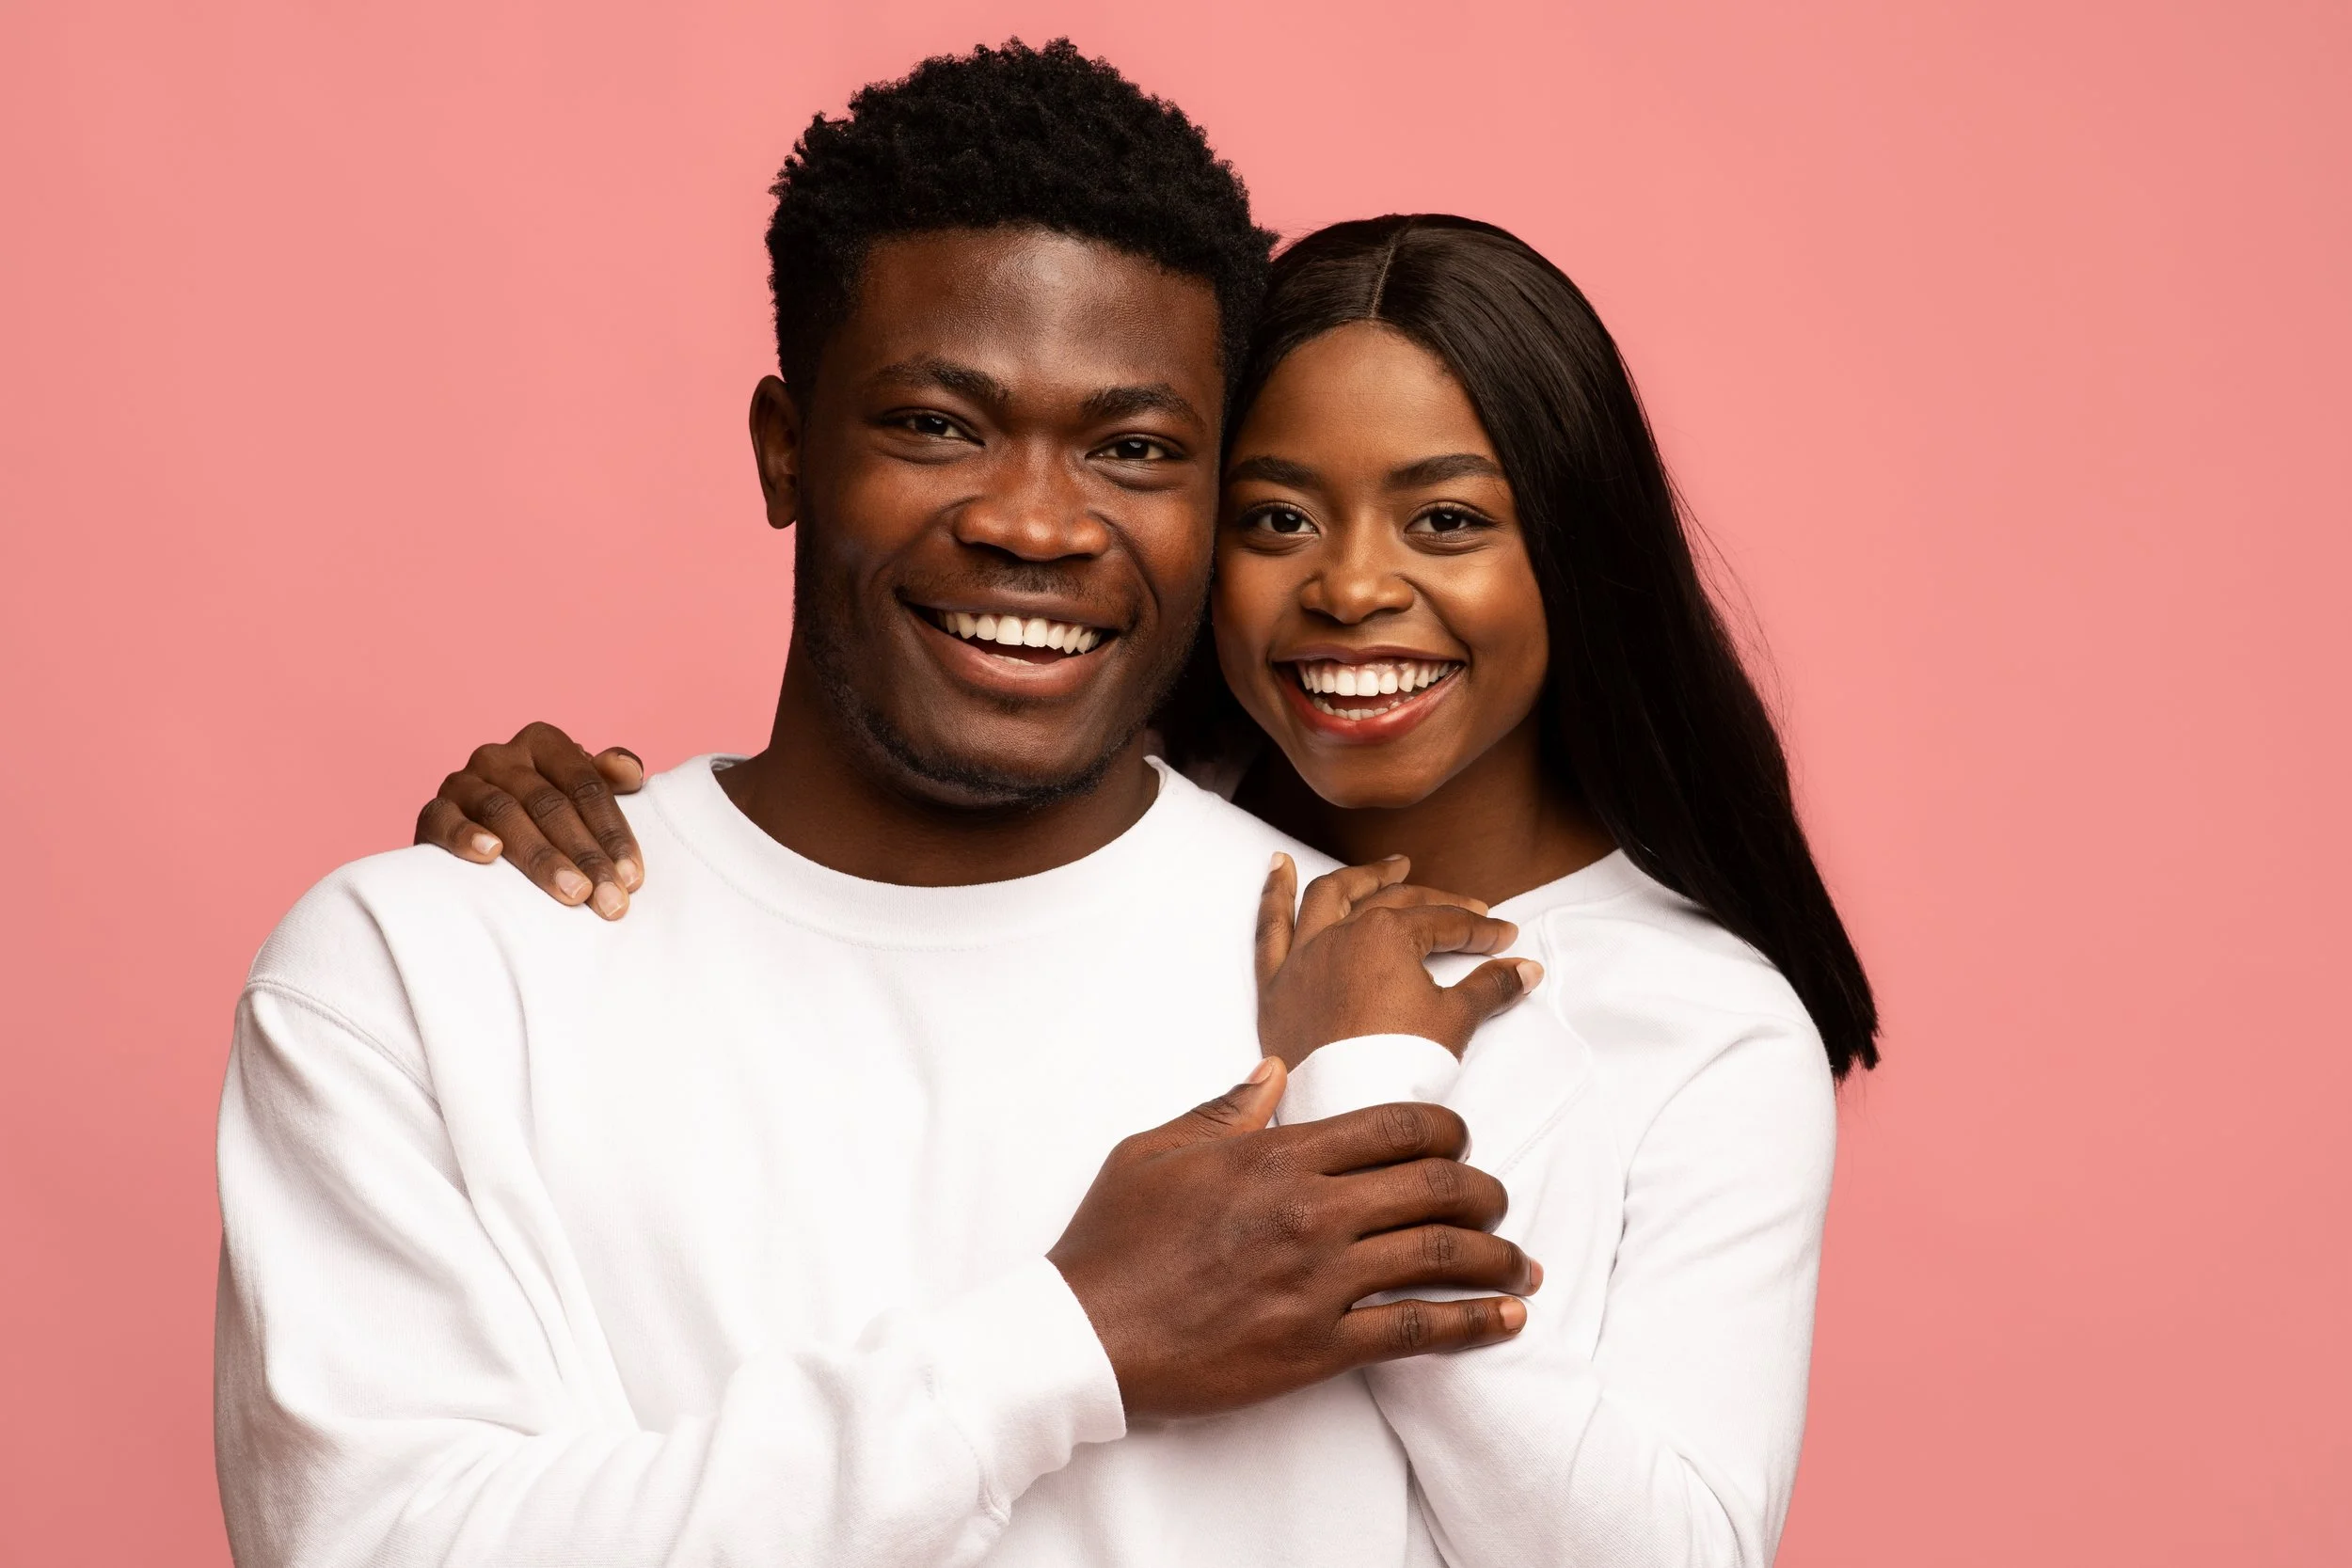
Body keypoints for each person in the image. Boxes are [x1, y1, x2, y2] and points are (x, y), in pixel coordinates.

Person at [215, 42, 1561, 1568]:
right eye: (938, 424)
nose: (1035, 522)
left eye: (1133, 449)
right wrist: (1071, 1339)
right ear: (787, 450)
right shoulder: (425, 974)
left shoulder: (1408, 994)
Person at [410, 214, 1880, 1568]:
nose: (1351, 589)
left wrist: (1363, 1077)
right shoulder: (1121, 879)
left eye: (1444, 520)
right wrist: (526, 878)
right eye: (1277, 517)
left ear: (1576, 548)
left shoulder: (1700, 1023)